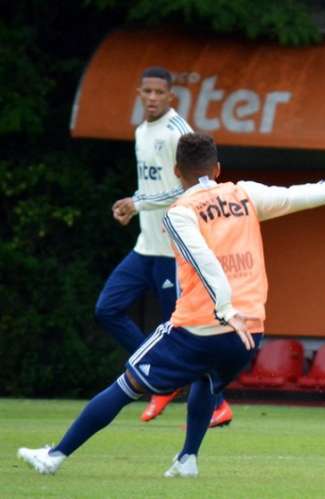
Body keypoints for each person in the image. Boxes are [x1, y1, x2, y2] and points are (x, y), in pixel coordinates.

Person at [18, 132, 325, 476]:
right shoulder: (244, 195)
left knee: (126, 384)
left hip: (199, 325)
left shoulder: (180, 211)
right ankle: (188, 458)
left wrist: (224, 308)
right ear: (218, 169)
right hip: (249, 331)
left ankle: (54, 456)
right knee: (208, 382)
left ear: (177, 172)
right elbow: (297, 195)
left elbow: (204, 260)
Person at [95, 66, 230, 427]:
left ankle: (217, 403)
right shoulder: (141, 131)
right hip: (145, 247)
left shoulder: (179, 132)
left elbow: (194, 186)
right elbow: (151, 185)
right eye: (147, 91)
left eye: (159, 92)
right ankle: (161, 378)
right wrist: (133, 203)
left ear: (171, 97)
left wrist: (139, 203)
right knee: (107, 309)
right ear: (139, 93)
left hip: (173, 251)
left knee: (186, 332)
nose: (153, 98)